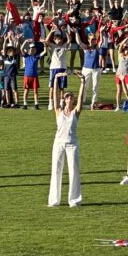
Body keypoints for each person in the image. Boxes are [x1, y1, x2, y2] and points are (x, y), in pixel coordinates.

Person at [49, 71, 85, 207]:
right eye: (66, 96)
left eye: (70, 96)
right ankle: (54, 200)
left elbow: (81, 98)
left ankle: (74, 200)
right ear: (64, 99)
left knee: (74, 170)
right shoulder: (58, 111)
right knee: (56, 170)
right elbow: (54, 96)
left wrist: (83, 81)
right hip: (58, 143)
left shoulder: (76, 111)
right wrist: (56, 79)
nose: (68, 97)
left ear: (73, 100)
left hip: (72, 144)